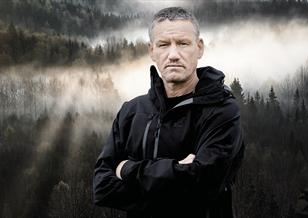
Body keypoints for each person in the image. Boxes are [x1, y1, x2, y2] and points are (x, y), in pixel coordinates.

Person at [93, 6, 245, 218]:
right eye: (164, 45)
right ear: (152, 51)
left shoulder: (222, 111)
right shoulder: (131, 112)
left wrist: (127, 169)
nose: (173, 54)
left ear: (199, 48)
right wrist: (178, 174)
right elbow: (101, 187)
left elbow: (202, 188)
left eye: (183, 43)